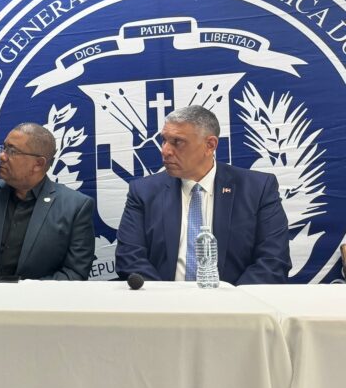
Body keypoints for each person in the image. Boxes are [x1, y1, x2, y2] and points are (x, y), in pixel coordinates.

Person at [115, 105, 290, 284]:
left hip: (235, 299)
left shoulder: (257, 189)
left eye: (177, 142)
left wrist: (231, 299)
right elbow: (130, 258)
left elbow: (273, 261)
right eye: (164, 140)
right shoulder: (143, 192)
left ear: (210, 145)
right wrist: (168, 297)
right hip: (164, 298)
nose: (165, 151)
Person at [0, 123, 95, 280]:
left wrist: (23, 291)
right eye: (4, 148)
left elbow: (74, 273)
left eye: (12, 151)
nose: (2, 156)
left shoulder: (75, 207)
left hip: (37, 296)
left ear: (38, 164)